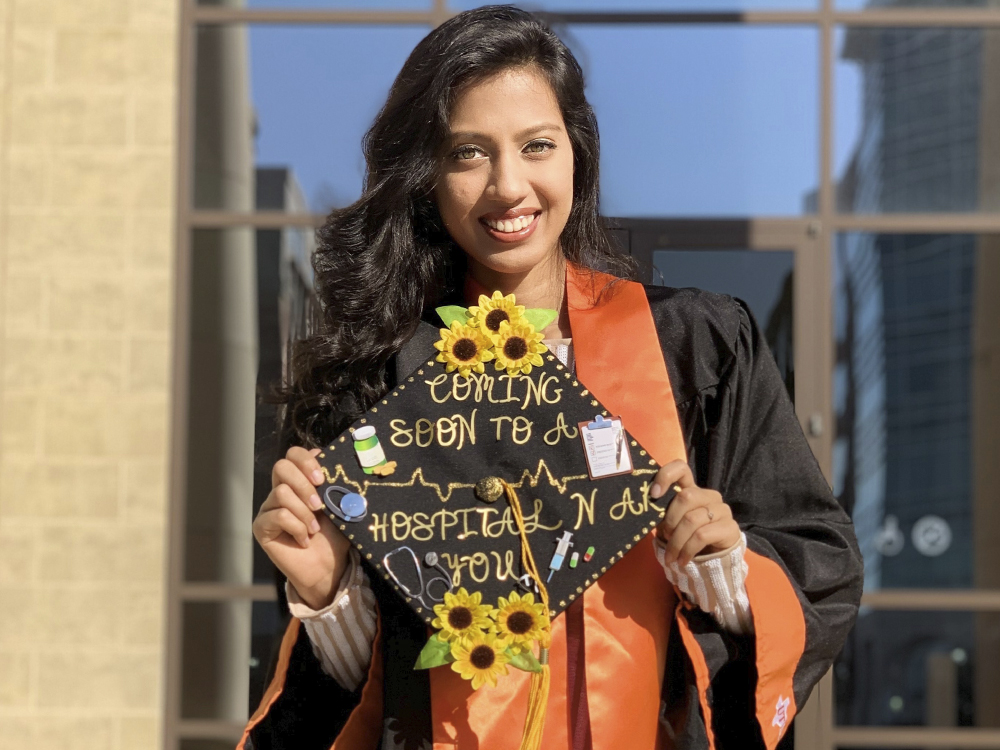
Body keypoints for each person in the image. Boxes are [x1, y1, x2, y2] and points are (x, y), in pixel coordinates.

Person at [241, 6, 863, 750]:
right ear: (427, 178)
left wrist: (724, 568)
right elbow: (373, 697)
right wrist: (327, 599)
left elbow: (817, 570)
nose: (509, 186)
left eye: (537, 145)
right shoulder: (381, 386)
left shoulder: (697, 348)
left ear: (577, 156)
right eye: (468, 154)